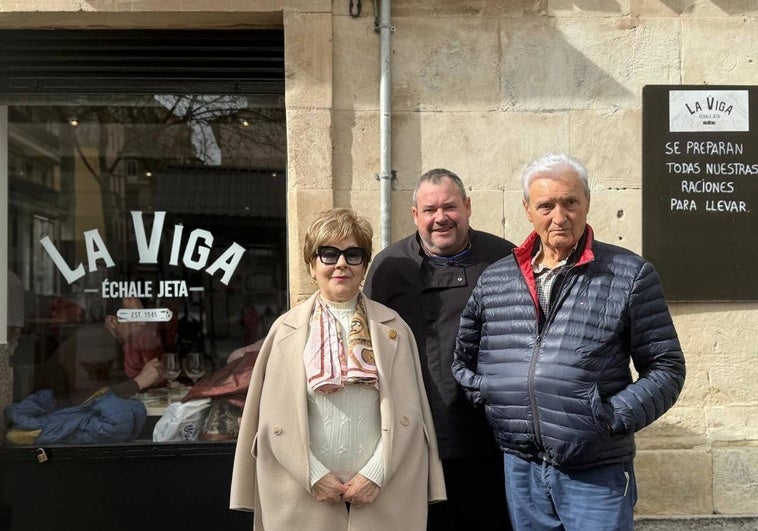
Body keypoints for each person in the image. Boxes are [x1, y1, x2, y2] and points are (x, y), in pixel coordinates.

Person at [452, 153, 687, 530]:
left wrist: (608, 418)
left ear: (587, 204)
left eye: (570, 202)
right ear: (528, 210)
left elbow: (666, 367)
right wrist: (494, 399)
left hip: (595, 468)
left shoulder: (629, 274)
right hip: (522, 466)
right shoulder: (497, 278)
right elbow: (463, 358)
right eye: (545, 205)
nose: (558, 216)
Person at [230, 207, 445, 531]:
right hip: (303, 494)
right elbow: (274, 421)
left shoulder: (393, 328)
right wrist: (313, 475)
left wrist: (375, 474)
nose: (341, 263)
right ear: (312, 265)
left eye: (353, 254)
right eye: (328, 254)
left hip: (383, 494)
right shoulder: (285, 330)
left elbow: (409, 416)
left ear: (364, 265)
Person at [364, 168, 515, 531]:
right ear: (415, 215)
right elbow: (367, 344)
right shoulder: (388, 266)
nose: (440, 218)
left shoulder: (505, 259)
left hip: (490, 435)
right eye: (430, 210)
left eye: (450, 207)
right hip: (415, 432)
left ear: (467, 207)